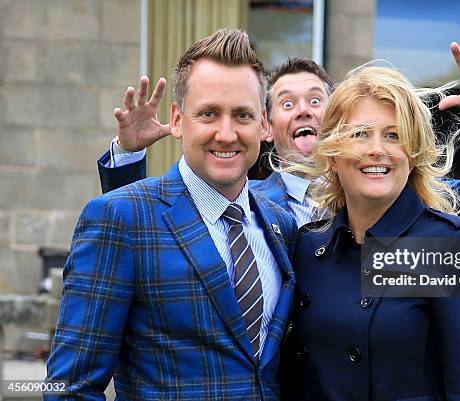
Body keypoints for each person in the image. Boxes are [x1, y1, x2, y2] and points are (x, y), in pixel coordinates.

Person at [44, 29, 297, 400]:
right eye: (208, 113)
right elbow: (69, 388)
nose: (226, 134)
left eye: (241, 115)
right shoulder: (119, 220)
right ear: (177, 120)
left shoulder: (281, 225)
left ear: (263, 125)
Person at [97, 36, 460, 227]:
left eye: (316, 100)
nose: (303, 110)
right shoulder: (245, 205)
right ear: (266, 127)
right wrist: (129, 154)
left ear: (336, 118)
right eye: (287, 103)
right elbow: (153, 227)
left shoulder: (386, 187)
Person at [280, 64, 460, 400]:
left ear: (412, 156)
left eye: (393, 135)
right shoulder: (307, 248)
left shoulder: (452, 247)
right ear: (334, 156)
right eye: (360, 134)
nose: (376, 149)